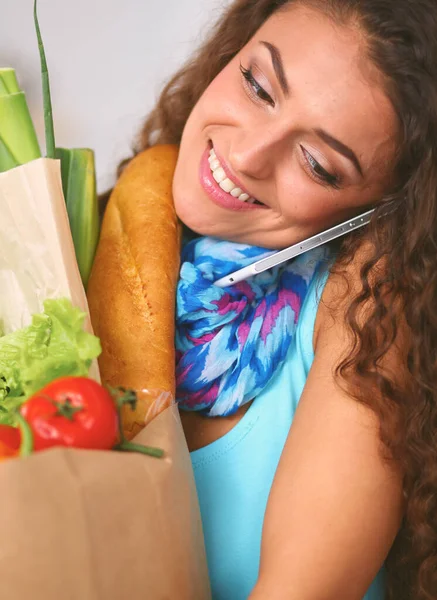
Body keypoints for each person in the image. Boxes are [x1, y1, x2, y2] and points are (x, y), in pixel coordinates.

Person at [105, 1, 437, 598]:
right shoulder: (122, 224)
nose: (248, 155)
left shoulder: (370, 303)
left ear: (386, 210)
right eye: (258, 86)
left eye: (317, 164)